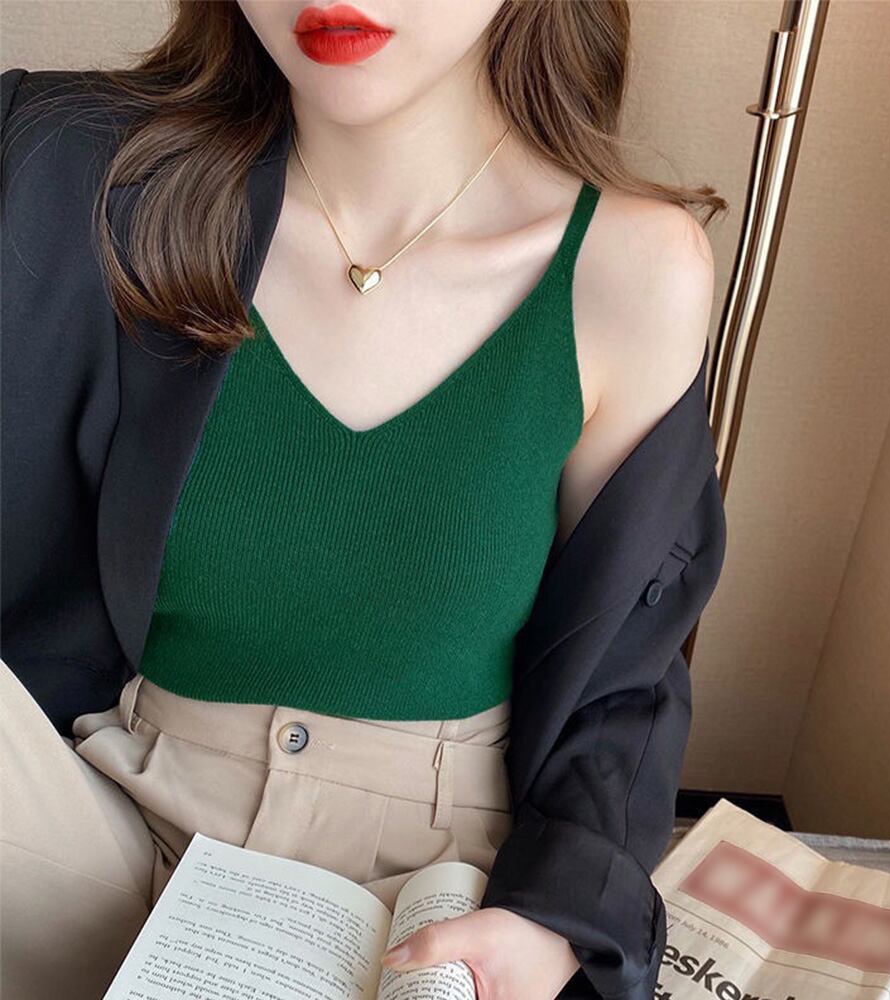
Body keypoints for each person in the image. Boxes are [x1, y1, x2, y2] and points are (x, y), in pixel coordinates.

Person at [0, 2, 728, 998]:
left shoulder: (632, 270)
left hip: (419, 896)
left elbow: (625, 671)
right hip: (109, 822)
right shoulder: (90, 185)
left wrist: (554, 920)